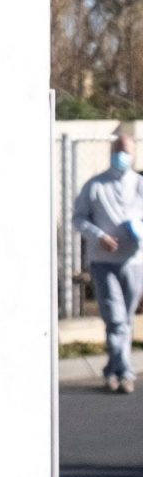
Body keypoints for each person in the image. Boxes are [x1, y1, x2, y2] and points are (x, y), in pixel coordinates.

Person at [74, 127, 142, 392]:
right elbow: (79, 218)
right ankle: (125, 372)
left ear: (134, 153)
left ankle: (111, 370)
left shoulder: (139, 185)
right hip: (103, 262)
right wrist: (99, 235)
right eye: (117, 151)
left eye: (125, 151)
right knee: (115, 317)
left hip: (133, 262)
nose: (121, 156)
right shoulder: (95, 185)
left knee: (124, 318)